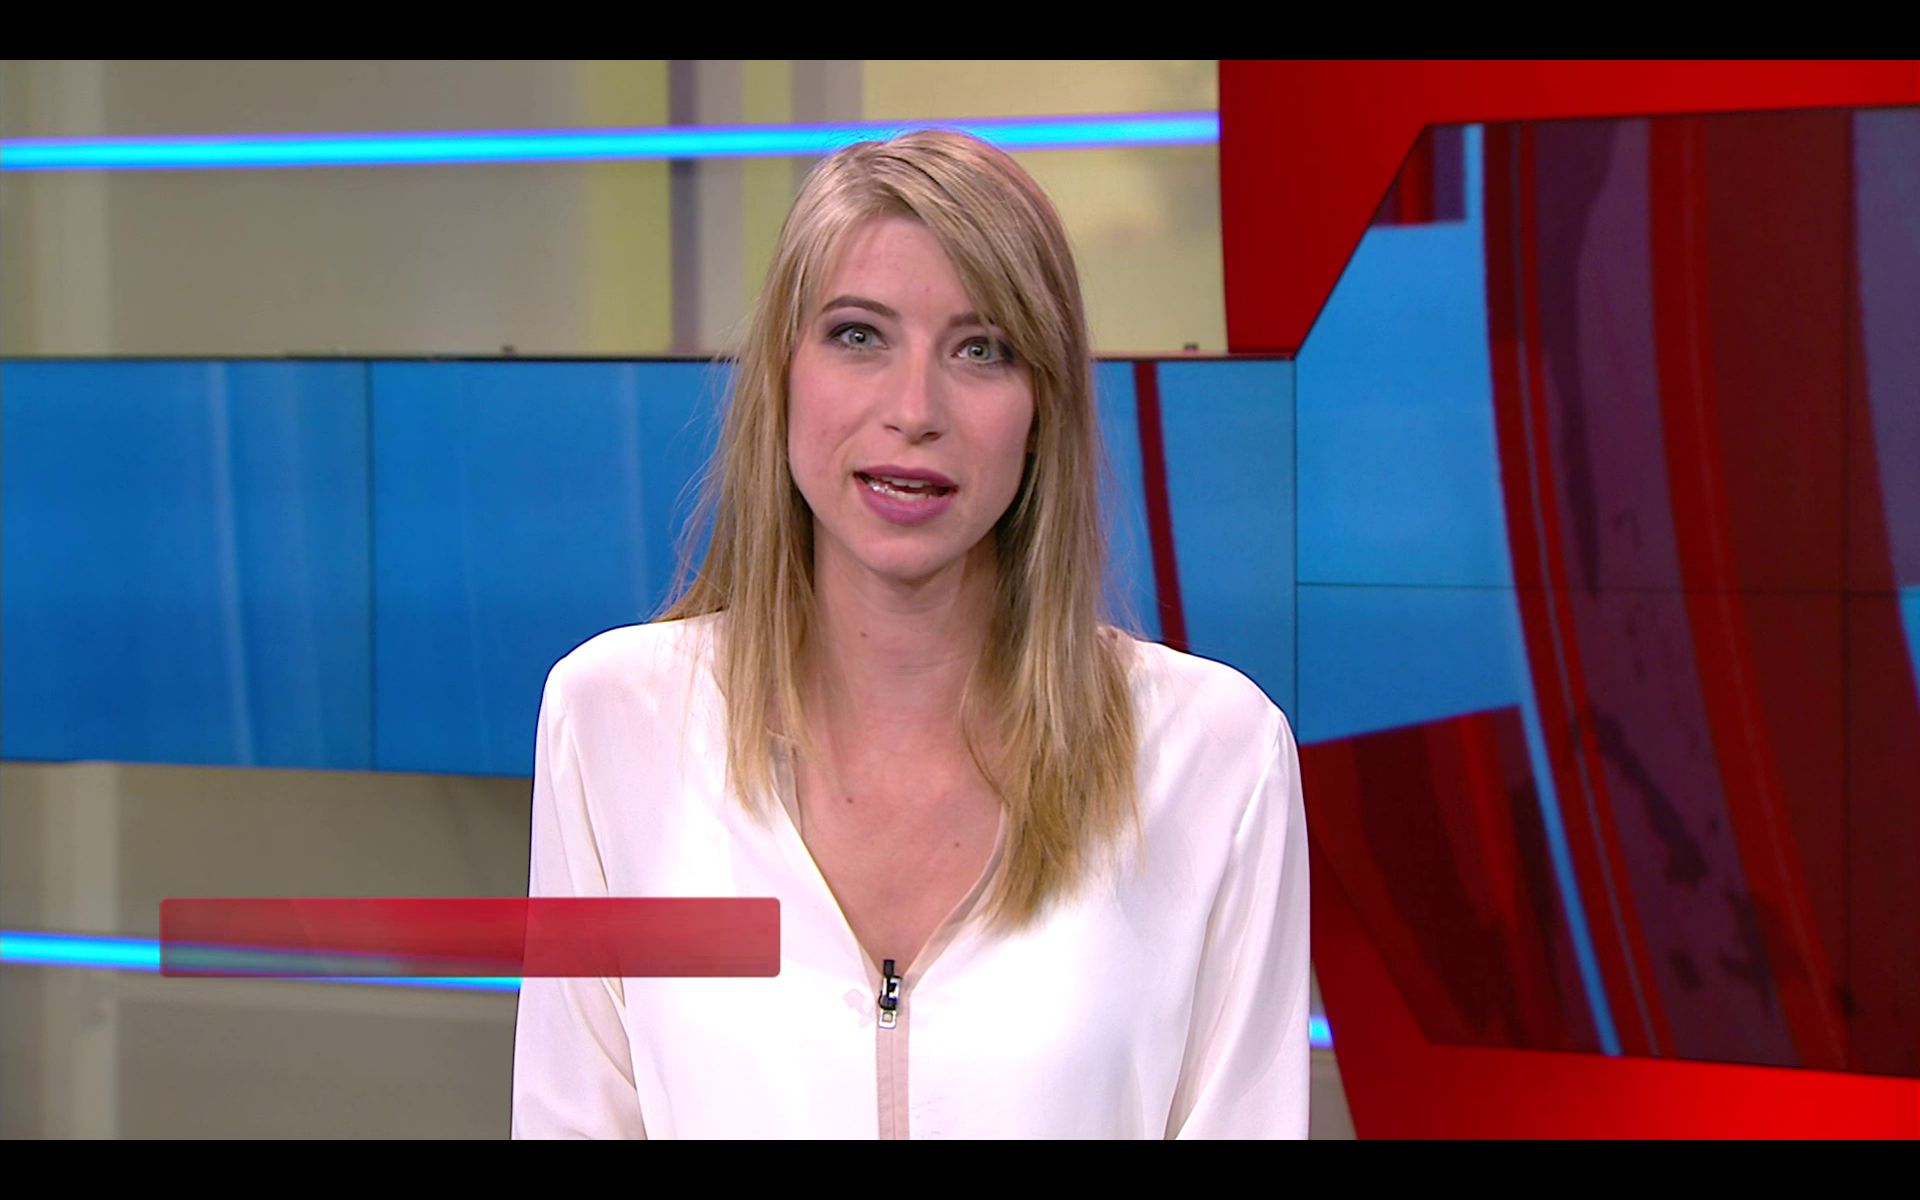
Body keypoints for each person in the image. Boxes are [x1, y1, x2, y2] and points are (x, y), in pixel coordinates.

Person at [509, 129, 1309, 1139]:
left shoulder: (1214, 756)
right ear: (783, 375)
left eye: (982, 350)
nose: (914, 409)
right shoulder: (613, 721)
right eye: (858, 335)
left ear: (1043, 409)